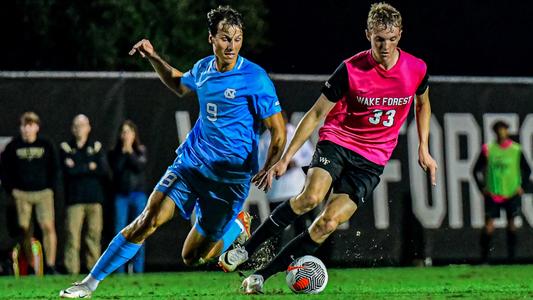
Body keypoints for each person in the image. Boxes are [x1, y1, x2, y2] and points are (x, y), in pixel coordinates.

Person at [59, 5, 285, 298]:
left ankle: (235, 226)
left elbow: (278, 131)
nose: (232, 45)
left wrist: (269, 165)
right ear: (211, 39)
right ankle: (88, 284)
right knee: (148, 219)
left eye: (238, 38)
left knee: (193, 256)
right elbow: (179, 83)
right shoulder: (204, 68)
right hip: (191, 165)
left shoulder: (255, 79)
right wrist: (154, 58)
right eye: (225, 38)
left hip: (229, 182)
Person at [219, 2, 437, 294]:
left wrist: (424, 147)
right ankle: (246, 250)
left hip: (373, 160)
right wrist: (286, 158)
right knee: (310, 197)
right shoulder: (350, 69)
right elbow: (316, 114)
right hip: (338, 141)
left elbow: (422, 103)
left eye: (392, 39)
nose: (385, 46)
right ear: (368, 34)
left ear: (400, 34)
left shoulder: (416, 69)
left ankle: (261, 276)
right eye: (379, 39)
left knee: (328, 223)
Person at [0, 112, 59, 275]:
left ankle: (50, 265)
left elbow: (55, 168)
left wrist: (50, 187)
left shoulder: (46, 144)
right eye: (23, 125)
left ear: (37, 127)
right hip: (22, 194)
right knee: (24, 231)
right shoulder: (13, 146)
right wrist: (12, 189)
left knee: (48, 227)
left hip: (43, 193)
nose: (26, 129)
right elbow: (4, 170)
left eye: (30, 125)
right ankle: (32, 266)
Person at [473, 120, 531, 263]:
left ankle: (512, 259)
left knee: (512, 225)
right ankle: (484, 259)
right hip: (494, 193)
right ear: (495, 131)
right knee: (489, 226)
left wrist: (521, 185)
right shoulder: (488, 149)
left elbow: (527, 169)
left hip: (511, 192)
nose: (501, 132)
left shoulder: (516, 150)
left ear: (507, 130)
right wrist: (482, 188)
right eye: (499, 129)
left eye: (504, 129)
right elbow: (475, 170)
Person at [258, 111, 314, 253]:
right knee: (276, 231)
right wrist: (271, 167)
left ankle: (303, 258)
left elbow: (311, 155)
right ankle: (272, 260)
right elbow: (259, 165)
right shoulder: (265, 139)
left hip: (297, 190)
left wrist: (295, 162)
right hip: (276, 192)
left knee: (302, 228)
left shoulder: (296, 133)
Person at [60, 114, 109, 275]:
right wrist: (89, 166)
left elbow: (102, 170)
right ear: (73, 129)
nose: (79, 128)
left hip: (94, 199)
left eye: (83, 125)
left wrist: (78, 167)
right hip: (75, 199)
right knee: (72, 237)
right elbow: (67, 172)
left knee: (94, 236)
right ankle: (71, 272)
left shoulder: (96, 146)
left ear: (89, 127)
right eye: (77, 125)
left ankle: (92, 272)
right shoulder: (66, 147)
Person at [108, 120, 148, 274]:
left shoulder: (141, 150)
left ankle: (138, 269)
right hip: (121, 196)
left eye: (129, 132)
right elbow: (116, 170)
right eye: (123, 132)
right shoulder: (114, 153)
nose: (126, 135)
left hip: (138, 195)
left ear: (134, 134)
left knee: (139, 233)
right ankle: (119, 270)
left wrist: (130, 151)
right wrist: (124, 152)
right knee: (120, 233)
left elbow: (139, 166)